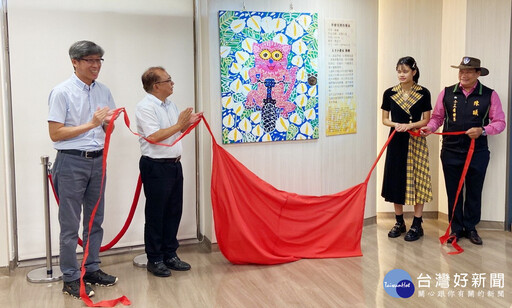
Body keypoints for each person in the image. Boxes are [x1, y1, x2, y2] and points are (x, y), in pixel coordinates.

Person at [48, 40, 118, 299]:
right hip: (71, 162)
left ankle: (91, 268)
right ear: (75, 62)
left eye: (99, 60)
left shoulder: (104, 91)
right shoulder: (62, 92)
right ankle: (70, 276)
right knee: (69, 224)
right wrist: (91, 123)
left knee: (95, 219)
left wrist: (108, 124)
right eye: (90, 60)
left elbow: (107, 129)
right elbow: (56, 133)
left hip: (98, 161)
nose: (96, 65)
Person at [421, 56, 506, 245]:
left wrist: (483, 130)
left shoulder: (489, 95)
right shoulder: (447, 93)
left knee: (475, 191)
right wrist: (430, 128)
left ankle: (471, 227)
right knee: (454, 191)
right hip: (451, 150)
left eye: (468, 71)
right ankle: (456, 228)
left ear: (478, 73)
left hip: (478, 152)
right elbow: (437, 117)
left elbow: (500, 122)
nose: (463, 75)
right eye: (461, 71)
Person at [135, 67, 202, 277]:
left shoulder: (170, 105)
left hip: (174, 164)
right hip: (156, 166)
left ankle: (170, 254)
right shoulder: (145, 107)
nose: (172, 83)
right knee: (156, 214)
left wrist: (186, 125)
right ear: (156, 86)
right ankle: (154, 258)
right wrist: (179, 124)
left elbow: (173, 131)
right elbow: (154, 136)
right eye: (168, 80)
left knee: (174, 211)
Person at [381, 56, 433, 242]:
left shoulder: (423, 92)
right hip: (396, 140)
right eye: (399, 71)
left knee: (418, 178)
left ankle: (417, 224)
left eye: (405, 71)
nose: (401, 74)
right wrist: (397, 124)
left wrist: (410, 126)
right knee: (396, 178)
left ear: (414, 72)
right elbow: (385, 119)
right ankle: (399, 222)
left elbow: (426, 119)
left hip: (416, 139)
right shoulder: (389, 93)